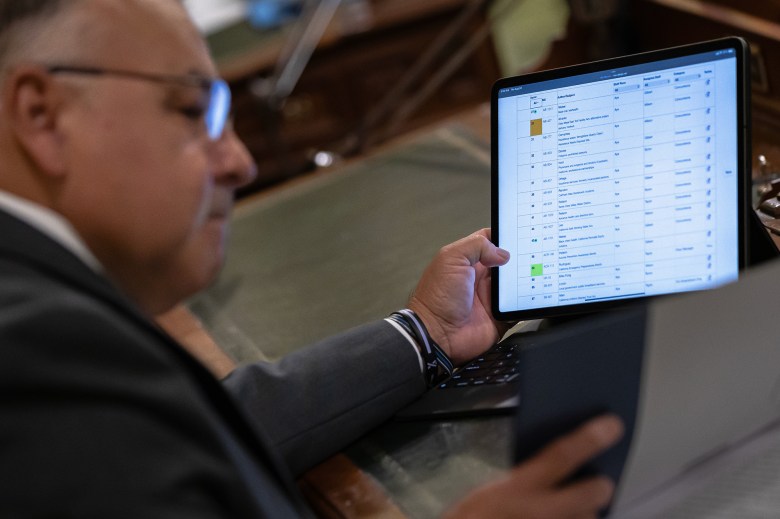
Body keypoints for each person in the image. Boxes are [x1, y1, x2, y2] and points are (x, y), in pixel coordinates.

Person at [0, 0, 622, 517]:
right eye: (194, 110)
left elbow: (201, 430)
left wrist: (427, 335)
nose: (240, 161)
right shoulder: (34, 348)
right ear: (40, 114)